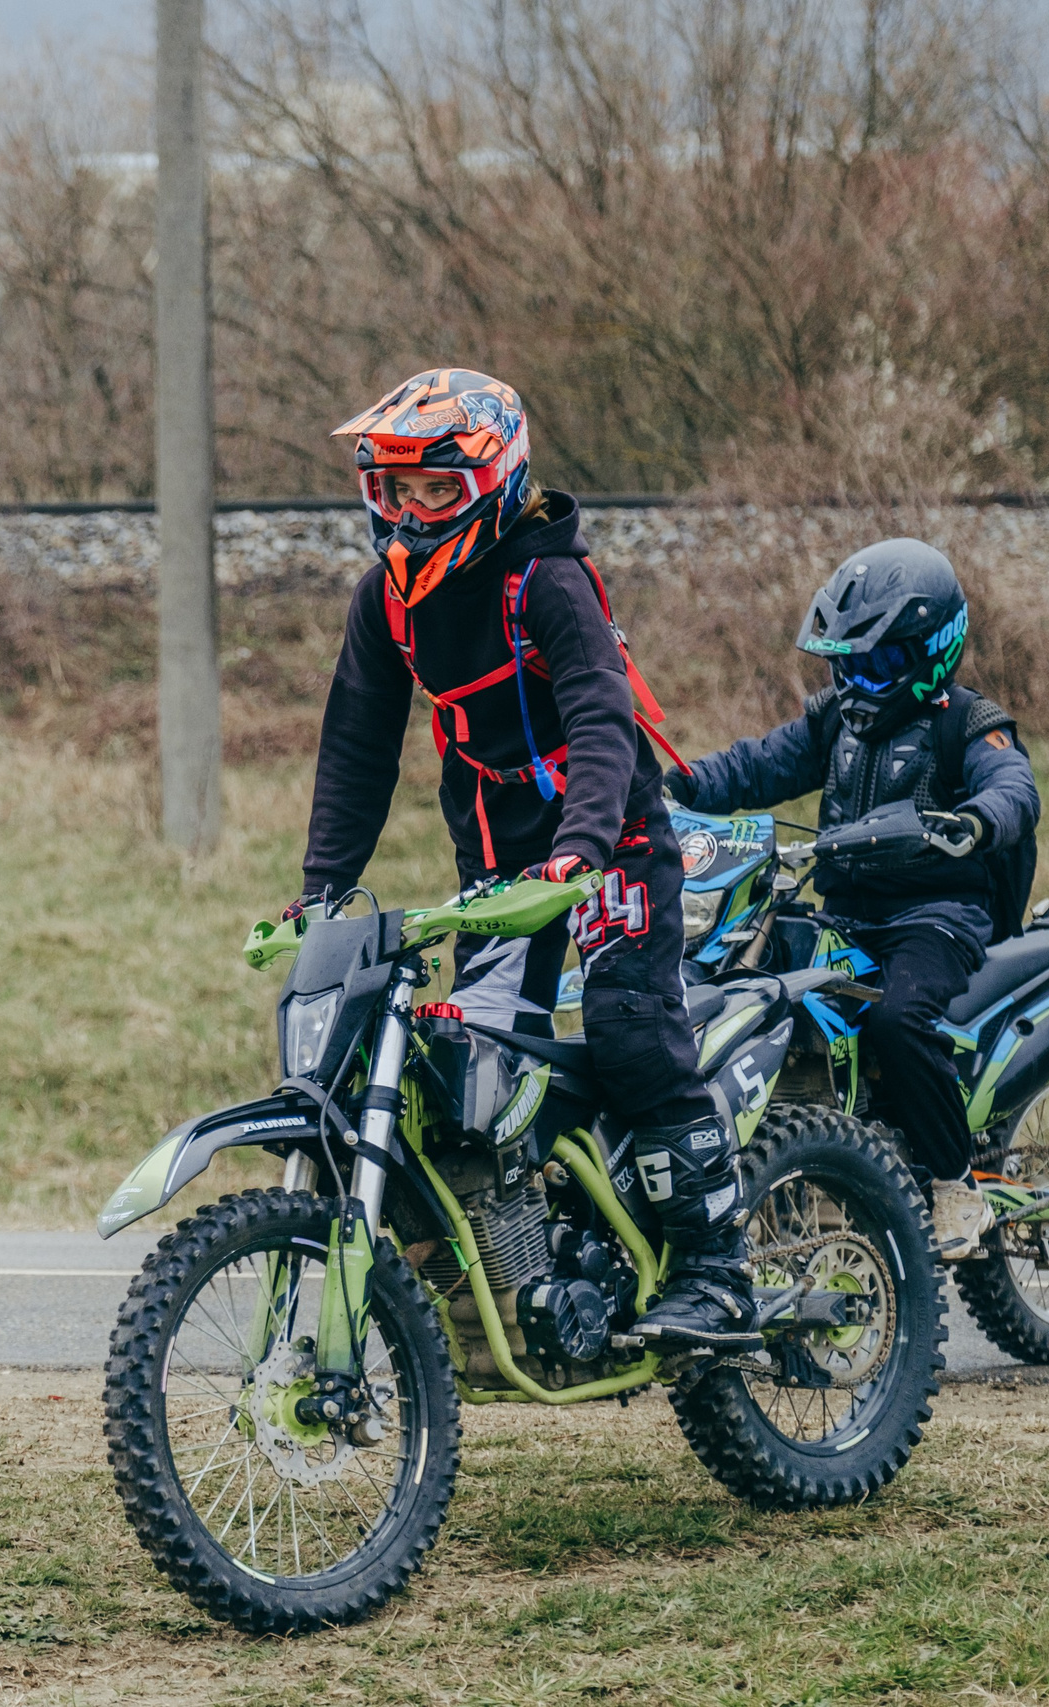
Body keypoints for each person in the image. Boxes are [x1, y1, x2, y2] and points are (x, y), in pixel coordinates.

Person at [297, 367, 755, 1347]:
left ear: (494, 483)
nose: (413, 512)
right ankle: (534, 1250)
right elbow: (356, 745)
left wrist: (582, 846)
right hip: (500, 860)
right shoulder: (386, 599)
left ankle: (717, 1272)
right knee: (476, 1059)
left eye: (437, 490)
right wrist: (322, 889)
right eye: (396, 489)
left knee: (631, 1027)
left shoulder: (548, 580)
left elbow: (600, 716)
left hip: (611, 840)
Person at [667, 539, 1043, 1259]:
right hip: (843, 915)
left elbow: (1014, 789)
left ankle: (954, 1182)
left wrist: (976, 820)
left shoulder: (967, 724)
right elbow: (754, 766)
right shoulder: (832, 723)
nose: (858, 684)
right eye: (847, 666)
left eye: (878, 664)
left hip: (934, 919)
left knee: (899, 1019)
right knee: (740, 987)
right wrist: (672, 786)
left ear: (932, 652)